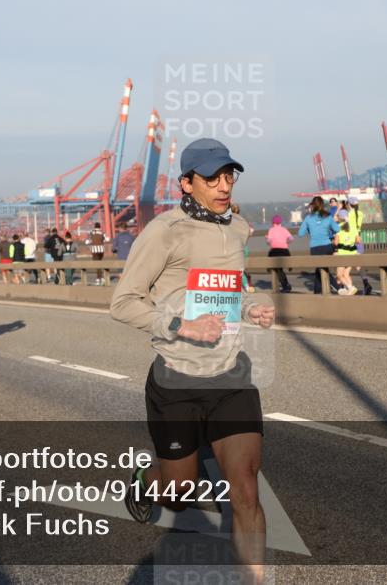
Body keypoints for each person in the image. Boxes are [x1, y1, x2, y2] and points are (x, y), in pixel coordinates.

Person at [110, 138, 274, 582]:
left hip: (231, 377)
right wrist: (183, 326)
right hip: (177, 381)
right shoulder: (164, 231)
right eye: (212, 178)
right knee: (179, 493)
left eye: (229, 176)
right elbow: (122, 303)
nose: (224, 185)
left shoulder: (238, 227)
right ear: (186, 183)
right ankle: (147, 480)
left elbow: (230, 292)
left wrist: (250, 308)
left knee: (245, 491)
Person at [298, 196, 341, 294]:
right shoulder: (328, 216)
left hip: (315, 248)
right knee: (320, 268)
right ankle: (317, 292)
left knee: (321, 267)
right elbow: (337, 229)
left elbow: (300, 234)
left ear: (312, 205)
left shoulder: (308, 218)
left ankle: (337, 287)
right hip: (327, 246)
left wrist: (310, 228)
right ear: (322, 205)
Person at [265, 215, 293, 293]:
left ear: (273, 222)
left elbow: (268, 242)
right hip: (285, 251)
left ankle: (269, 268)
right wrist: (286, 242)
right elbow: (291, 239)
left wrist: (267, 238)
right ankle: (290, 266)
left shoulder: (271, 230)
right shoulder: (284, 229)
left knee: (278, 269)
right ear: (280, 222)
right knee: (280, 269)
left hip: (275, 251)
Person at [333, 218, 360, 295]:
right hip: (352, 254)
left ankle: (351, 288)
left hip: (342, 255)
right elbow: (358, 241)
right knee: (346, 274)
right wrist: (350, 241)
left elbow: (336, 242)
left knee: (339, 275)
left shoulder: (338, 227)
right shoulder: (353, 228)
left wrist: (333, 241)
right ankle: (350, 291)